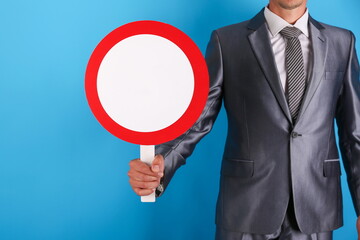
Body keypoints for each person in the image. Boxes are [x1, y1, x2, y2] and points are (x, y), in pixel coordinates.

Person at [127, 0, 360, 239]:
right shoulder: (227, 40)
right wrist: (159, 164)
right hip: (246, 207)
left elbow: (355, 136)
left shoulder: (342, 42)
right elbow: (199, 118)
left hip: (315, 206)